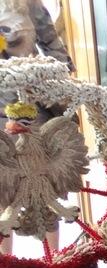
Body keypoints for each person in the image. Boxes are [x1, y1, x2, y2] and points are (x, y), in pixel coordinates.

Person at [0, 0, 74, 254]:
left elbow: (53, 46)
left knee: (44, 187)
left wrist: (51, 81)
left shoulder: (28, 2)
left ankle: (53, 263)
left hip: (31, 108)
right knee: (1, 194)